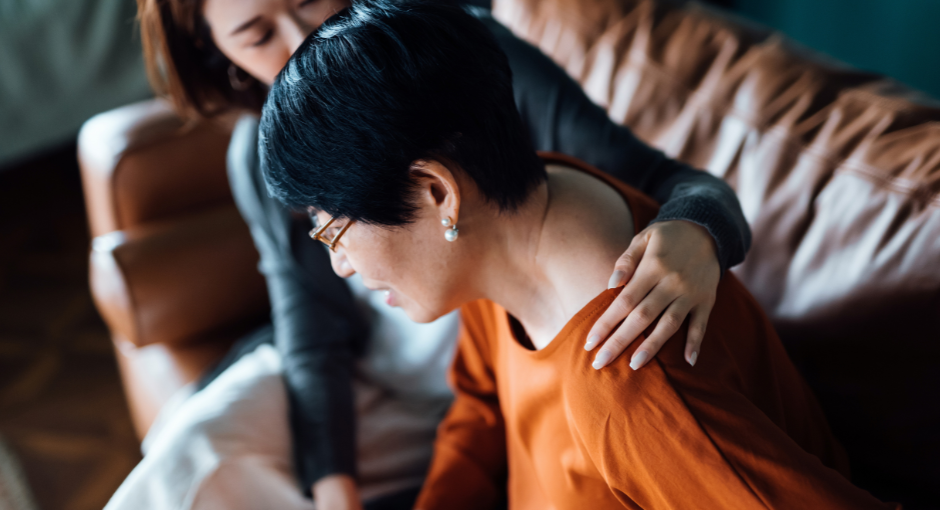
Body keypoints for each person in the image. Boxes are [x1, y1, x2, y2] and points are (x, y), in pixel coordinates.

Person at [257, 2, 900, 508]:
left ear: (436, 192)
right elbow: (482, 411)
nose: (339, 264)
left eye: (333, 231)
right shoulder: (521, 218)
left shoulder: (634, 387)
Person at [137, 0, 752, 507]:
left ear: (440, 194)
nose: (305, 39)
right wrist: (336, 491)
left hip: (486, 351)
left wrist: (697, 230)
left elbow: (654, 177)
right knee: (185, 459)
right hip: (392, 366)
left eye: (306, 2)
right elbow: (313, 329)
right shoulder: (486, 272)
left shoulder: (454, 79)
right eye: (257, 34)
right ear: (217, 52)